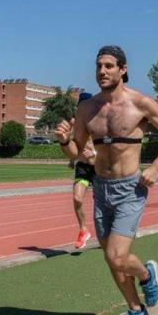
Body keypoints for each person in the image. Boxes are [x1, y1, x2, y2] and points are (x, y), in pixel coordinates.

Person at [55, 45, 158, 315]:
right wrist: (64, 141)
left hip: (131, 189)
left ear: (123, 69)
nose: (102, 71)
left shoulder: (139, 103)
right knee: (110, 258)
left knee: (116, 256)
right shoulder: (87, 109)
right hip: (101, 189)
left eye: (109, 66)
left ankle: (147, 275)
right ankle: (136, 311)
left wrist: (157, 167)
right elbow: (75, 153)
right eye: (98, 65)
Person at [70, 92, 97, 249]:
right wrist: (72, 158)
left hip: (98, 165)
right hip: (82, 166)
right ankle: (83, 230)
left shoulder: (99, 122)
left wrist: (94, 154)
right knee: (77, 198)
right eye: (80, 106)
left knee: (103, 203)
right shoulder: (75, 123)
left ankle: (109, 230)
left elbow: (108, 146)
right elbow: (76, 143)